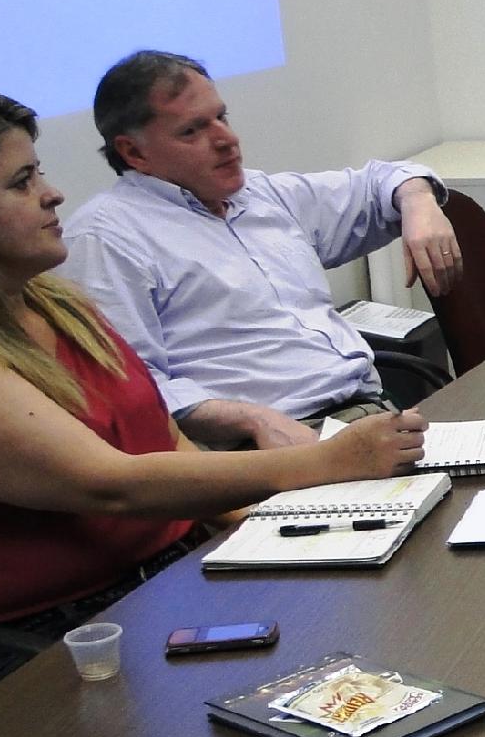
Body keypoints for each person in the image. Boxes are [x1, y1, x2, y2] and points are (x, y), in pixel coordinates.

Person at [0, 82, 426, 715]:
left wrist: (277, 531)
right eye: (21, 182)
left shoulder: (56, 306)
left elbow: (163, 439)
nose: (53, 193)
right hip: (23, 648)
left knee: (377, 648)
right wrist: (326, 463)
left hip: (155, 588)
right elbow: (110, 485)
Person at [61, 51, 461, 447]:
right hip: (266, 446)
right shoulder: (106, 238)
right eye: (192, 131)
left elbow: (378, 183)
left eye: (222, 117)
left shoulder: (259, 195)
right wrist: (251, 419)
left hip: (369, 412)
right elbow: (128, 390)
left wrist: (417, 201)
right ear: (134, 152)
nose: (227, 139)